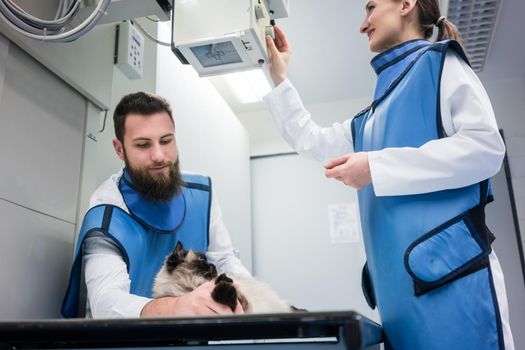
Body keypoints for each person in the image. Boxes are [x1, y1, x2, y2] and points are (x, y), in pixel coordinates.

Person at [263, 0, 514, 349]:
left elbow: (485, 148)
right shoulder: (368, 120)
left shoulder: (441, 64)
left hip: (455, 290)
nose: (363, 24)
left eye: (370, 8)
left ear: (406, 4)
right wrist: (278, 77)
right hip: (400, 299)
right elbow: (311, 140)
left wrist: (377, 167)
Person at [62, 92, 250, 318]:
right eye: (143, 145)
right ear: (119, 149)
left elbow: (225, 260)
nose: (159, 155)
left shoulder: (201, 194)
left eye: (166, 141)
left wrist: (253, 302)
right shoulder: (107, 215)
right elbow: (106, 302)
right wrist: (177, 307)